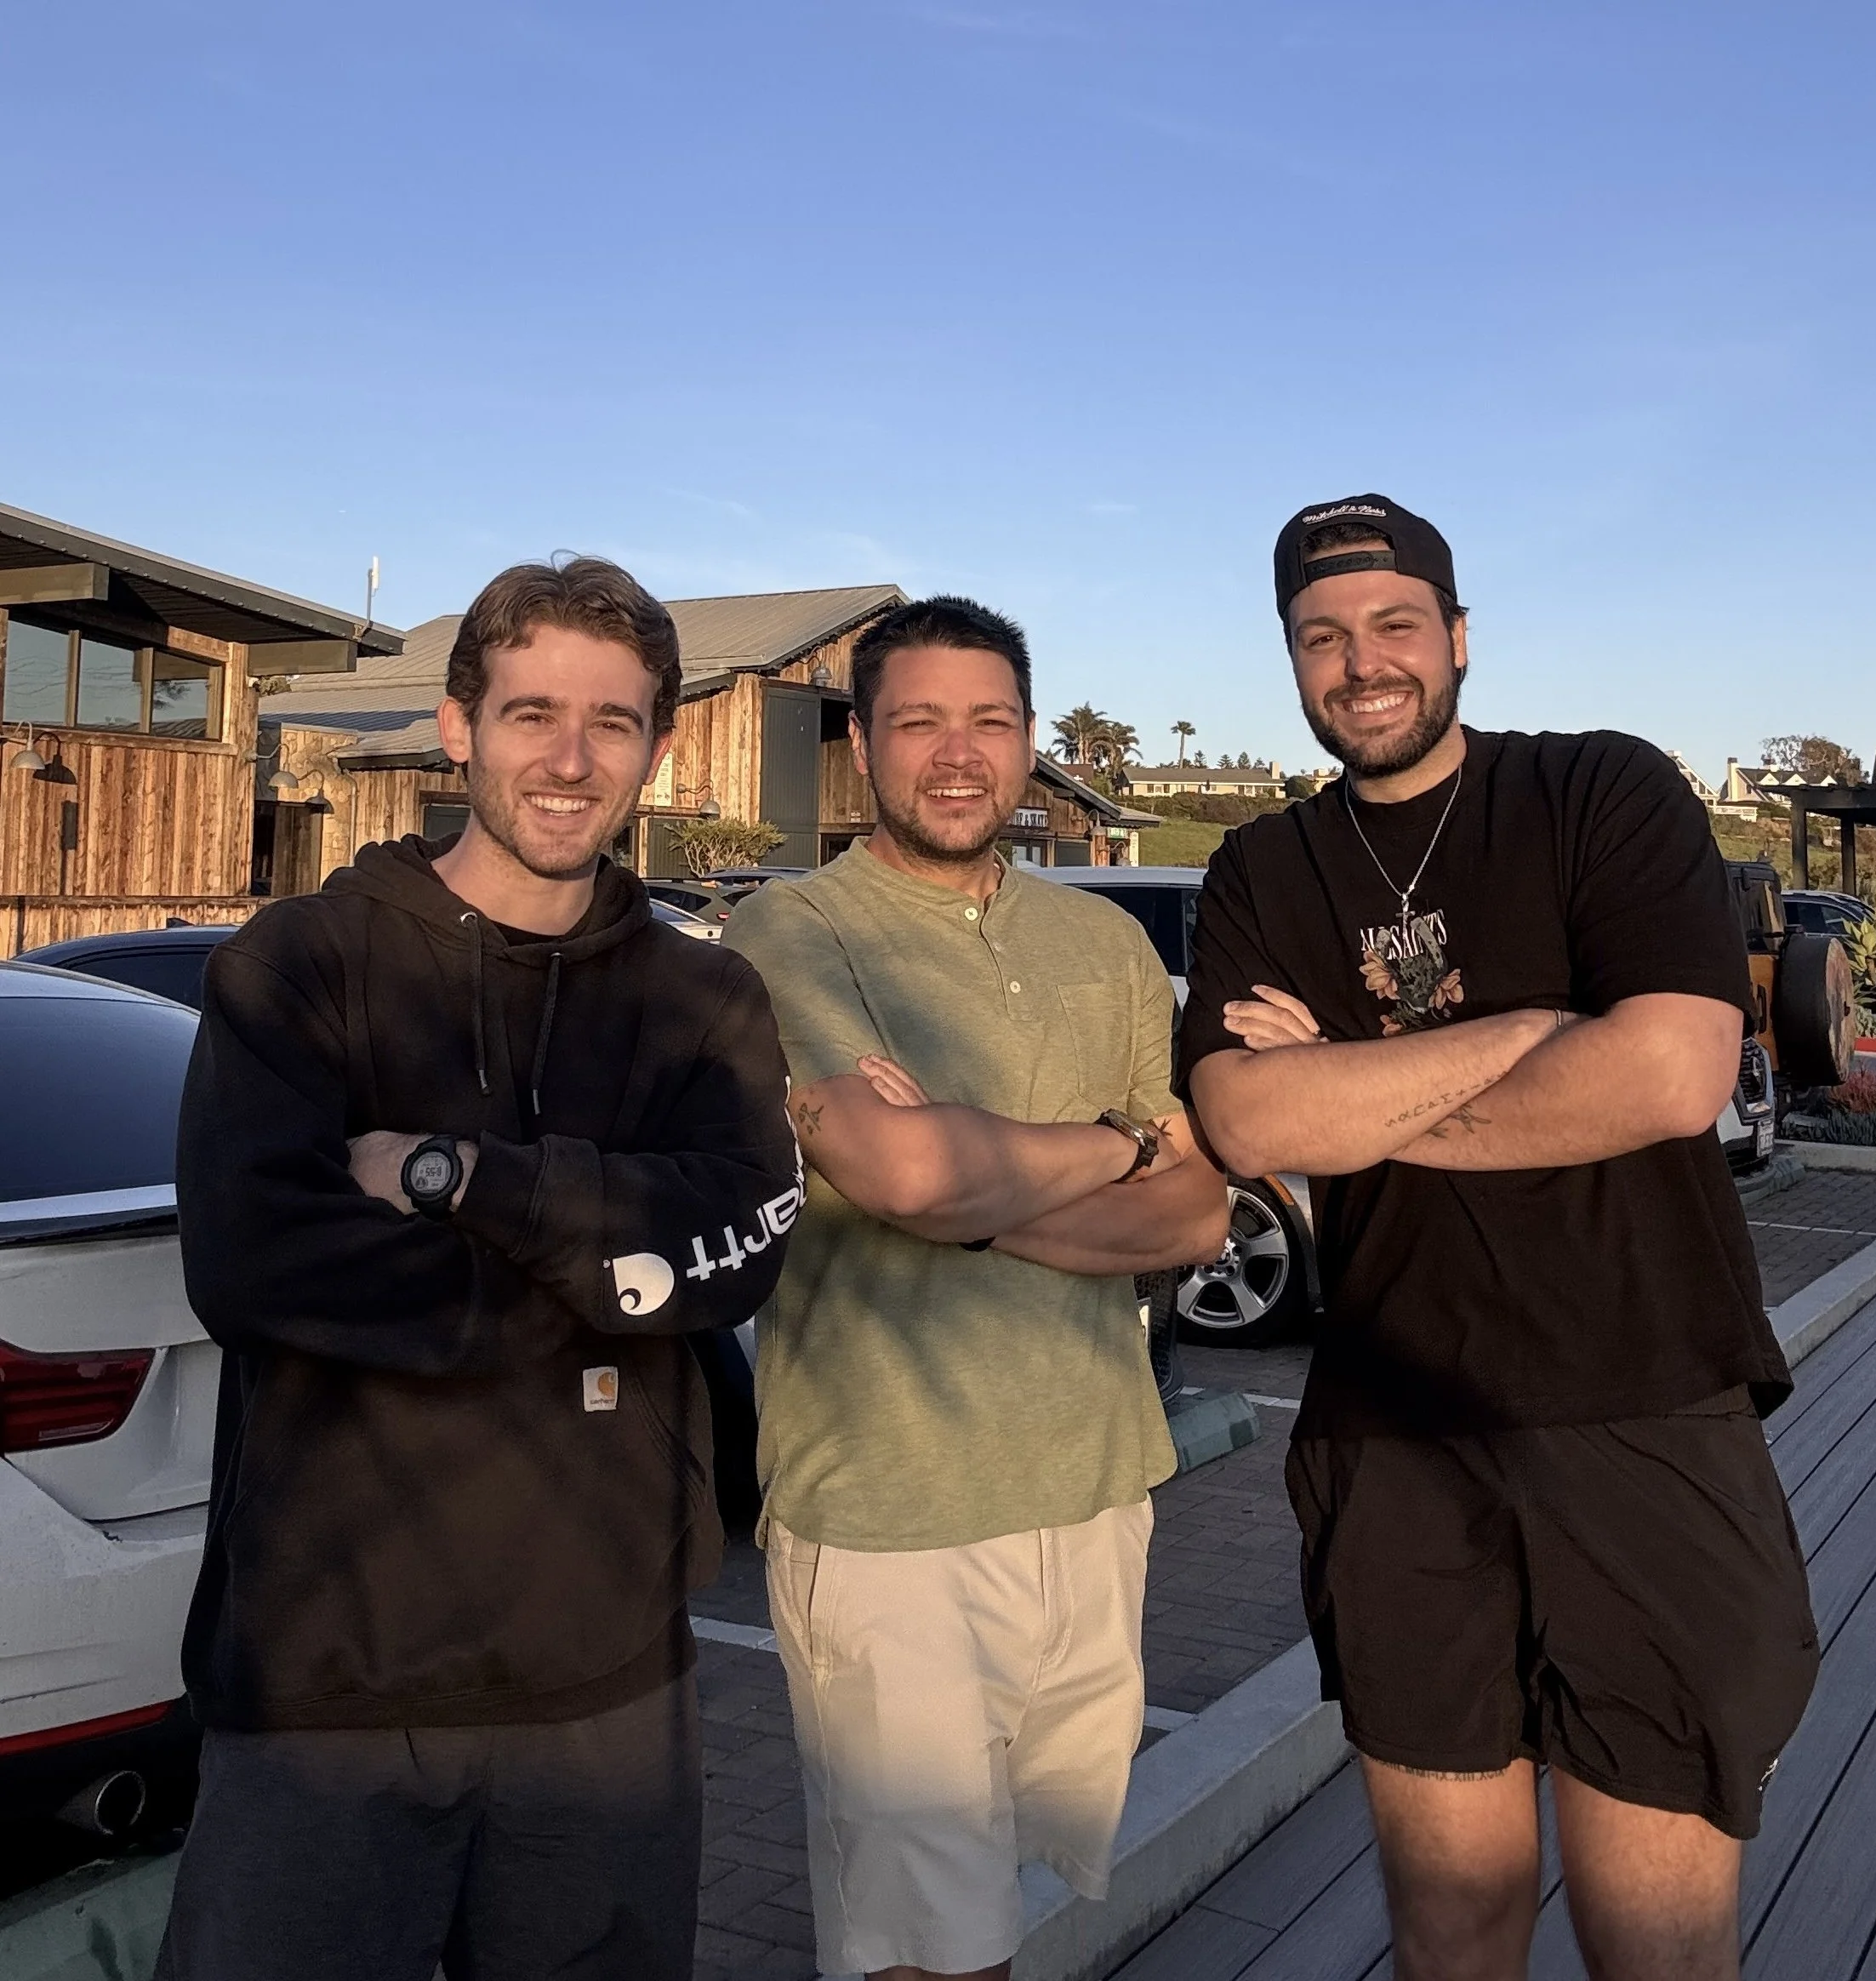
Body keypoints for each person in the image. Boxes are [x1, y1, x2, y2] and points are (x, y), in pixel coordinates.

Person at [1179, 496, 1818, 1981]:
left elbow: (1665, 1073)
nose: (1363, 663)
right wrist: (1536, 1029)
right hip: (1392, 1430)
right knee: (1450, 1927)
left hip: (1643, 1407)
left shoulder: (1599, 792)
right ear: (1292, 661)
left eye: (1395, 624)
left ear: (1458, 638)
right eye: (1321, 637)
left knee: (1652, 1937)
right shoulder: (1266, 869)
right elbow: (1244, 1123)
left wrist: (1345, 1088)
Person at [156, 557, 801, 1981]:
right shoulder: (300, 967)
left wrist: (473, 1181)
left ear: (661, 748)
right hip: (330, 1681)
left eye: (613, 723)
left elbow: (740, 1247)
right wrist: (605, 1269)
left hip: (604, 1688)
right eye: (530, 714)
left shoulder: (704, 995)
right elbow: (258, 1265)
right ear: (459, 727)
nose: (569, 761)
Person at [723, 596, 1229, 1981]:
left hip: (1096, 1482)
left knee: (1012, 1898)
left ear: (1026, 741)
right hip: (891, 1513)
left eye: (990, 721)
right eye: (919, 722)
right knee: (923, 1949)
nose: (958, 754)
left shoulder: (1105, 946)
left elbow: (1193, 1212)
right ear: (863, 745)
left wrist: (969, 1181)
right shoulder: (794, 930)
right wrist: (1107, 1151)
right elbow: (904, 1179)